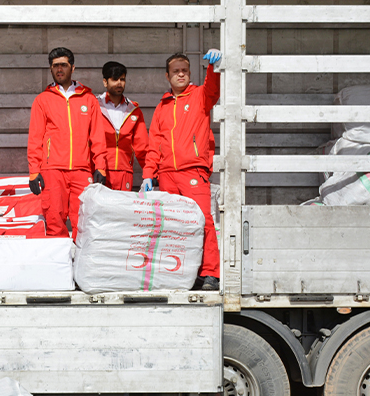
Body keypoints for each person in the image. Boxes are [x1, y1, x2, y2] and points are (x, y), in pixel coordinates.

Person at [143, 49, 223, 291]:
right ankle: (181, 273)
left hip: (193, 172)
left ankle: (210, 273)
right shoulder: (162, 107)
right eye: (176, 71)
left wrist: (214, 67)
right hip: (167, 176)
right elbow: (154, 144)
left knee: (204, 221)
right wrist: (148, 174)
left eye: (185, 71)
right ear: (167, 76)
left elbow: (213, 88)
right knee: (174, 226)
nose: (181, 75)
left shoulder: (200, 96)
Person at [27, 47, 108, 239]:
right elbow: (35, 137)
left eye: (63, 65)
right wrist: (34, 171)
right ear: (51, 69)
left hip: (82, 170)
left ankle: (81, 267)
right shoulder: (42, 100)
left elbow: (97, 136)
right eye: (55, 66)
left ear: (73, 67)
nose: (59, 69)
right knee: (54, 220)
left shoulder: (88, 99)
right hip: (52, 170)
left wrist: (101, 166)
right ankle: (60, 267)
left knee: (84, 222)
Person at [96, 61, 148, 192]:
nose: (119, 83)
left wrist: (150, 173)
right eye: (114, 79)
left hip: (124, 172)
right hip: (100, 170)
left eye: (122, 79)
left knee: (120, 212)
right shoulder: (95, 106)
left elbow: (142, 147)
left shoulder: (134, 110)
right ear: (105, 82)